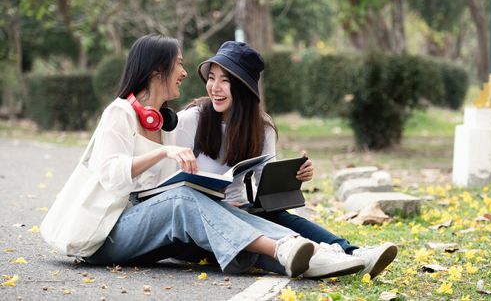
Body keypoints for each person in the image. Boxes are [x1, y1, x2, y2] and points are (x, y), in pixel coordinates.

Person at [74, 34, 364, 279]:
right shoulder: (120, 112)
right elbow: (110, 175)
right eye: (179, 64)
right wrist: (164, 152)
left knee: (229, 229)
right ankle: (284, 247)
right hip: (108, 234)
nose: (186, 73)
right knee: (186, 200)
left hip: (160, 233)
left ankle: (318, 258)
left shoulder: (165, 122)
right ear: (155, 71)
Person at [174, 41, 398, 279]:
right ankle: (327, 256)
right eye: (211, 78)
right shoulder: (191, 120)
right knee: (258, 227)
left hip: (242, 211)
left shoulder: (261, 127)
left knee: (278, 217)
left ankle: (354, 252)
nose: (214, 87)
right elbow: (170, 188)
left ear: (243, 86)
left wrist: (293, 177)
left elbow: (266, 191)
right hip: (202, 222)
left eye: (225, 80)